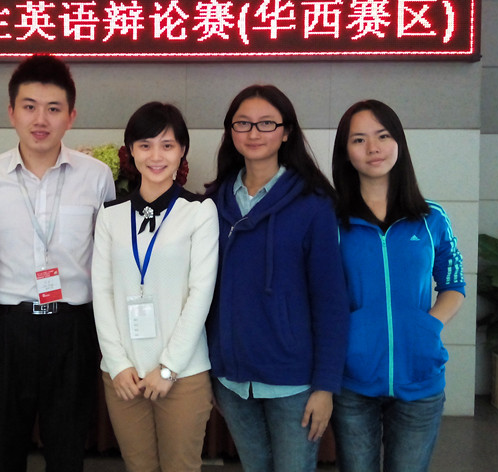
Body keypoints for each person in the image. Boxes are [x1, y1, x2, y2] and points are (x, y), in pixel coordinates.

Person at [0, 54, 115, 472]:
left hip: (72, 329)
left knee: (67, 451)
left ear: (71, 116)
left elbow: (107, 259)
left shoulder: (96, 177)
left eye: (53, 109)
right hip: (6, 329)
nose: (41, 119)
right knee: (2, 451)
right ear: (11, 112)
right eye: (29, 107)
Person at [205, 84, 349, 472]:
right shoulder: (213, 203)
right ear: (231, 132)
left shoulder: (313, 204)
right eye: (243, 123)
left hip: (293, 381)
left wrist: (325, 386)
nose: (254, 133)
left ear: (286, 132)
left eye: (266, 123)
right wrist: (212, 369)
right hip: (232, 379)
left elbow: (331, 302)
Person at [330, 100, 465, 472]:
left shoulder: (431, 218)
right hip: (352, 379)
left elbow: (453, 283)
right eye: (359, 139)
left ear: (399, 143)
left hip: (420, 378)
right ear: (345, 152)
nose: (373, 148)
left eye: (383, 136)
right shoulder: (332, 221)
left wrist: (429, 325)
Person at [92, 102, 219, 471]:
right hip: (124, 375)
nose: (156, 156)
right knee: (139, 466)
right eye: (145, 145)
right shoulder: (110, 215)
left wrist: (168, 368)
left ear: (182, 151)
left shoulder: (199, 211)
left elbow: (200, 294)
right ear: (131, 151)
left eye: (167, 145)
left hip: (182, 373)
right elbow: (102, 291)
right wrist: (117, 364)